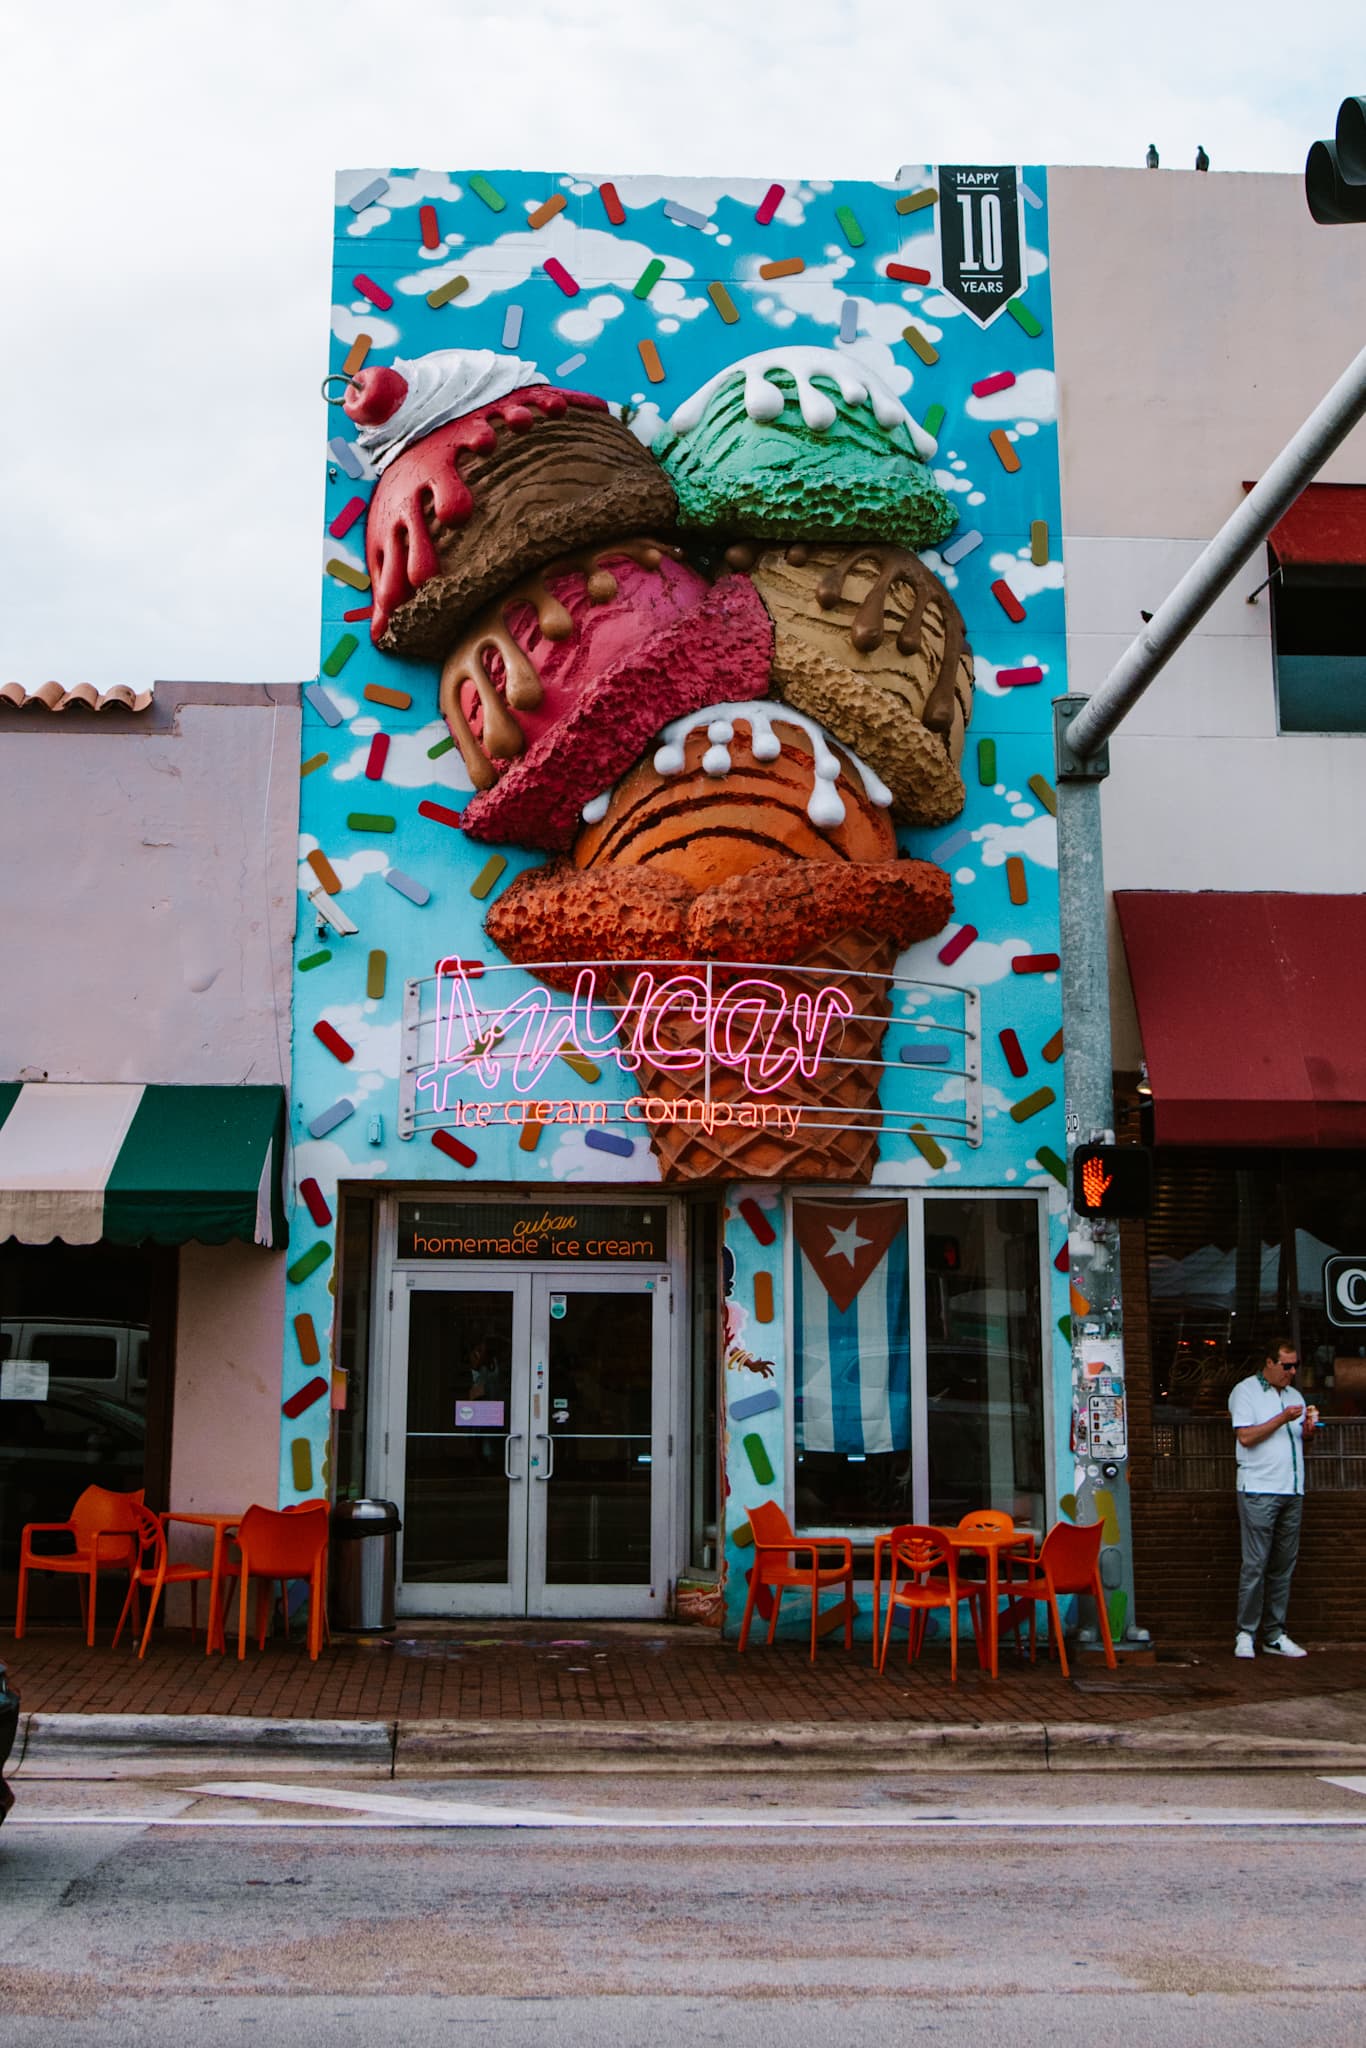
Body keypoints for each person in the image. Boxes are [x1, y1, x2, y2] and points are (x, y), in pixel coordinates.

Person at [1228, 1339, 1320, 1659]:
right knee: (1255, 1564)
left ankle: (1274, 1633)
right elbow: (1246, 1436)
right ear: (1269, 1363)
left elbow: (1298, 1443)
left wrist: (1308, 1429)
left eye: (1295, 1366)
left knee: (1283, 1566)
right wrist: (1282, 1419)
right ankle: (1245, 1632)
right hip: (1258, 1488)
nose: (1292, 1372)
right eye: (1286, 1366)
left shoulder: (1295, 1395)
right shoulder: (1245, 1392)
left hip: (1292, 1490)